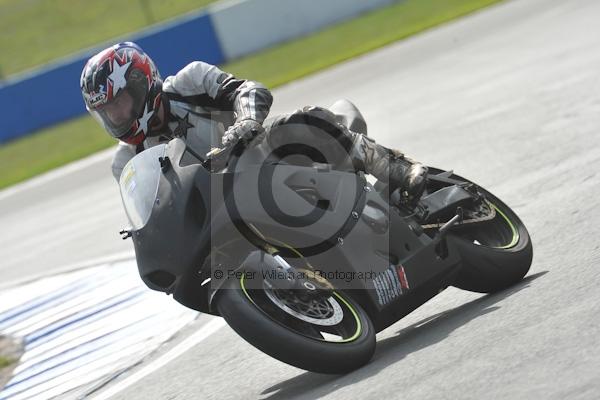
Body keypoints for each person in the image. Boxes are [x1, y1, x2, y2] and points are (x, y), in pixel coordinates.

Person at [80, 42, 427, 207]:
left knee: (306, 118)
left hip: (264, 157)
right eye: (107, 112)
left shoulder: (190, 81)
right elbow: (152, 208)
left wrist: (246, 121)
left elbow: (249, 89)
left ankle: (397, 168)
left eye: (119, 103)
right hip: (224, 204)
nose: (116, 116)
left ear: (141, 83)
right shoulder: (125, 161)